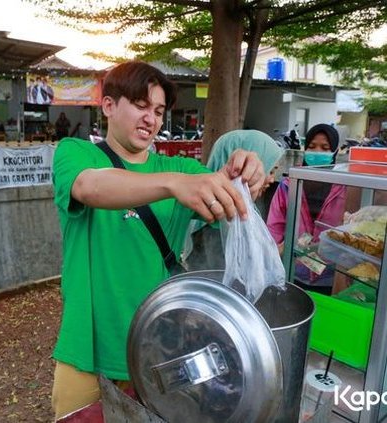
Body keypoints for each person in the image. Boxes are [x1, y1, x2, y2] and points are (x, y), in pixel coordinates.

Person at [51, 61, 266, 420]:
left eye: (159, 111)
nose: (151, 119)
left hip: (161, 350)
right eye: (140, 105)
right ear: (108, 106)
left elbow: (225, 190)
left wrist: (245, 173)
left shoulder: (182, 171)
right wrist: (171, 185)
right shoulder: (75, 153)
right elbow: (90, 187)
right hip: (87, 351)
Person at [183, 129, 284, 271]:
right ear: (241, 168)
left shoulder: (235, 217)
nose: (272, 179)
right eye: (270, 170)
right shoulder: (217, 228)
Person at [267, 123, 347, 291]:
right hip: (292, 272)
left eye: (325, 148)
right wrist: (273, 260)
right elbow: (274, 229)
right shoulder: (290, 185)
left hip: (330, 277)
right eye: (312, 146)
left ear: (335, 151)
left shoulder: (344, 187)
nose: (317, 152)